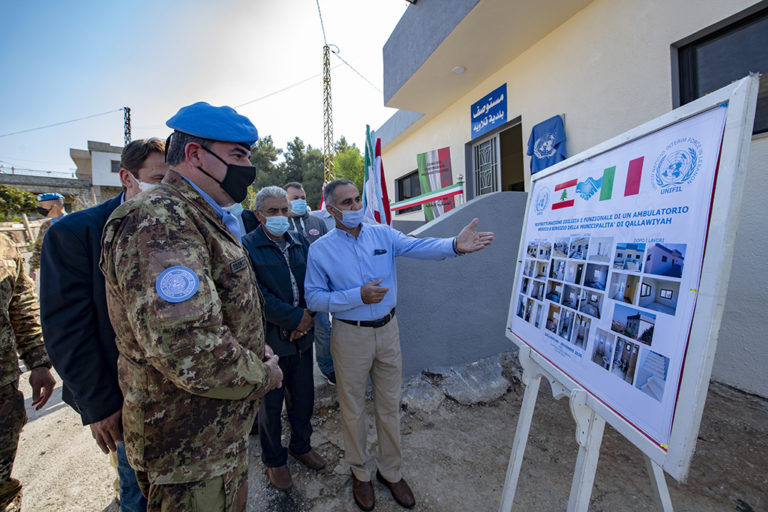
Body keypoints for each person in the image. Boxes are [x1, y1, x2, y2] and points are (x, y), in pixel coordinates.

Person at [99, 102, 283, 512]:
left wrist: (255, 350)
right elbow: (191, 351)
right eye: (238, 155)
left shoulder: (198, 215)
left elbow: (222, 312)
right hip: (188, 453)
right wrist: (264, 374)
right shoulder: (159, 221)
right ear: (196, 154)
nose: (247, 168)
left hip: (215, 436)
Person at [304, 180, 493, 511]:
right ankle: (360, 474)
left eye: (357, 199)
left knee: (389, 404)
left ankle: (390, 472)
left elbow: (417, 246)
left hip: (388, 331)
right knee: (352, 408)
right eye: (346, 203)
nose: (355, 206)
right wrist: (355, 297)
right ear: (331, 210)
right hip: (350, 335)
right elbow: (314, 297)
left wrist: (455, 246)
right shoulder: (320, 250)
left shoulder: (382, 234)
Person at [40, 138, 168, 512]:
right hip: (122, 399)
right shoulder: (77, 233)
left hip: (171, 392)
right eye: (158, 178)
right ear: (127, 178)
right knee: (137, 492)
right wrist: (99, 405)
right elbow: (67, 329)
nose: (167, 189)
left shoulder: (173, 227)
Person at [241, 186, 326, 491]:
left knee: (303, 397)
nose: (280, 217)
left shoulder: (302, 242)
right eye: (272, 212)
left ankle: (301, 446)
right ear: (258, 215)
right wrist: (294, 319)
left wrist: (307, 318)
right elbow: (256, 295)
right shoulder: (247, 247)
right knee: (271, 405)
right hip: (270, 341)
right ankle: (274, 460)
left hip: (303, 336)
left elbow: (317, 281)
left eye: (283, 210)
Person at [0, 233, 56, 512]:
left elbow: (22, 308)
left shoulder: (4, 246)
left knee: (2, 488)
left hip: (2, 390)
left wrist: (38, 362)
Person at [283, 182, 335, 384]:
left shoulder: (316, 222)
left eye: (302, 197)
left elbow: (328, 250)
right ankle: (294, 372)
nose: (300, 201)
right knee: (295, 329)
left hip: (318, 286)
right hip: (292, 288)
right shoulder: (281, 223)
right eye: (295, 198)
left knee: (323, 327)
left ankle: (327, 366)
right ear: (285, 200)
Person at [28, 192, 67, 280]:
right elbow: (38, 248)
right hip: (51, 273)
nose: (39, 209)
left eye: (42, 206)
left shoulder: (75, 222)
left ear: (54, 206)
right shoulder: (46, 226)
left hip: (74, 273)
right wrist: (33, 269)